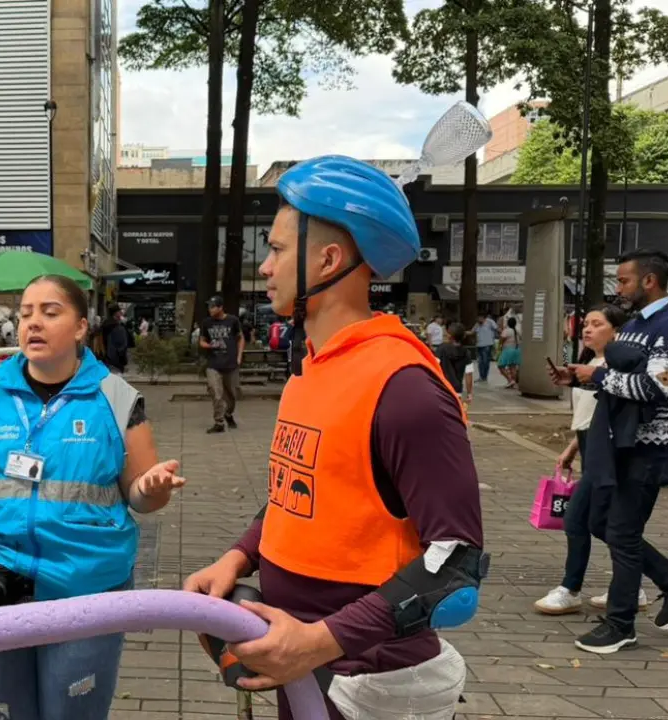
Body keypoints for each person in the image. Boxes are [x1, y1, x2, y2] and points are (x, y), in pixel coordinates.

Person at [184, 156, 484, 719]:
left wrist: (320, 641)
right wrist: (239, 557)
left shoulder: (405, 388)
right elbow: (296, 493)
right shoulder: (314, 366)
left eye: (276, 249)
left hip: (372, 687)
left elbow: (457, 565)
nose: (265, 266)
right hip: (303, 669)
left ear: (328, 259)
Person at [0, 274, 185, 720]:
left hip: (86, 590)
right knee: (3, 710)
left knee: (71, 712)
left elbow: (140, 497)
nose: (33, 324)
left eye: (50, 312)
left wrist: (151, 489)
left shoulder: (116, 398)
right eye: (25, 314)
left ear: (81, 327)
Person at [552, 249, 668, 653]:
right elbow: (623, 378)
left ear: (649, 281)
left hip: (650, 450)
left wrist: (597, 374)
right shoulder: (638, 323)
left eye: (623, 280)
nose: (618, 287)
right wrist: (579, 379)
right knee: (603, 523)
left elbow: (657, 386)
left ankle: (621, 624)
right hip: (621, 444)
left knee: (621, 531)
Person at [535, 304, 648, 614]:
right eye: (585, 323)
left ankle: (572, 588)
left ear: (617, 331)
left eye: (597, 324)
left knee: (583, 521)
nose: (587, 329)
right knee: (603, 523)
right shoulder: (589, 364)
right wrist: (573, 448)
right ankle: (632, 585)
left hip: (608, 452)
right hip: (590, 448)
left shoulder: (615, 367)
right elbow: (589, 417)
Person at [200, 295, 244, 433]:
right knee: (216, 392)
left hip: (231, 363)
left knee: (232, 394)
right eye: (209, 307)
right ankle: (219, 422)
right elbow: (202, 340)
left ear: (220, 307)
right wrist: (208, 345)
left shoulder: (232, 321)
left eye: (212, 307)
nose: (210, 309)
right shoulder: (206, 323)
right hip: (213, 363)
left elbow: (240, 338)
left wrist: (239, 356)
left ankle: (228, 414)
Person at [434, 322, 470, 402]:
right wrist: (469, 394)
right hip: (457, 390)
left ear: (449, 335)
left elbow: (434, 367)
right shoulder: (466, 352)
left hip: (443, 388)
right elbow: (469, 374)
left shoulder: (441, 349)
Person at [100, 304, 130, 373]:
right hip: (115, 361)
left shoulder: (104, 324)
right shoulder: (118, 328)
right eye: (120, 312)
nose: (121, 313)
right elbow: (122, 346)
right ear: (116, 313)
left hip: (104, 359)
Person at [472, 311, 498, 382]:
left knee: (486, 361)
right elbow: (472, 332)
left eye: (479, 318)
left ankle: (484, 376)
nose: (478, 320)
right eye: (477, 318)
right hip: (479, 345)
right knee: (480, 362)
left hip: (487, 345)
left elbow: (497, 329)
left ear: (483, 318)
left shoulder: (490, 322)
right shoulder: (477, 324)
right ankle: (481, 377)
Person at [498, 316, 522, 388]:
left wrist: (500, 345)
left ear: (508, 323)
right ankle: (513, 382)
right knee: (513, 367)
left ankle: (510, 380)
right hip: (516, 350)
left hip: (508, 350)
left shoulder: (507, 330)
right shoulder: (517, 331)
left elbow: (502, 339)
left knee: (500, 366)